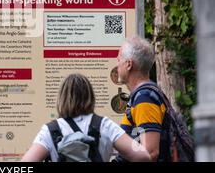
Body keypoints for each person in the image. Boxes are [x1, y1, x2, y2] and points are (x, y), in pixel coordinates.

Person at [21, 73, 151, 162]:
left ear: (61, 98)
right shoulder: (105, 125)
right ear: (90, 96)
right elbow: (143, 157)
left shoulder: (50, 130)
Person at [116, 36, 167, 162]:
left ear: (128, 64)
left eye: (119, 60)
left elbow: (150, 153)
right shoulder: (143, 95)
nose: (117, 64)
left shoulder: (145, 98)